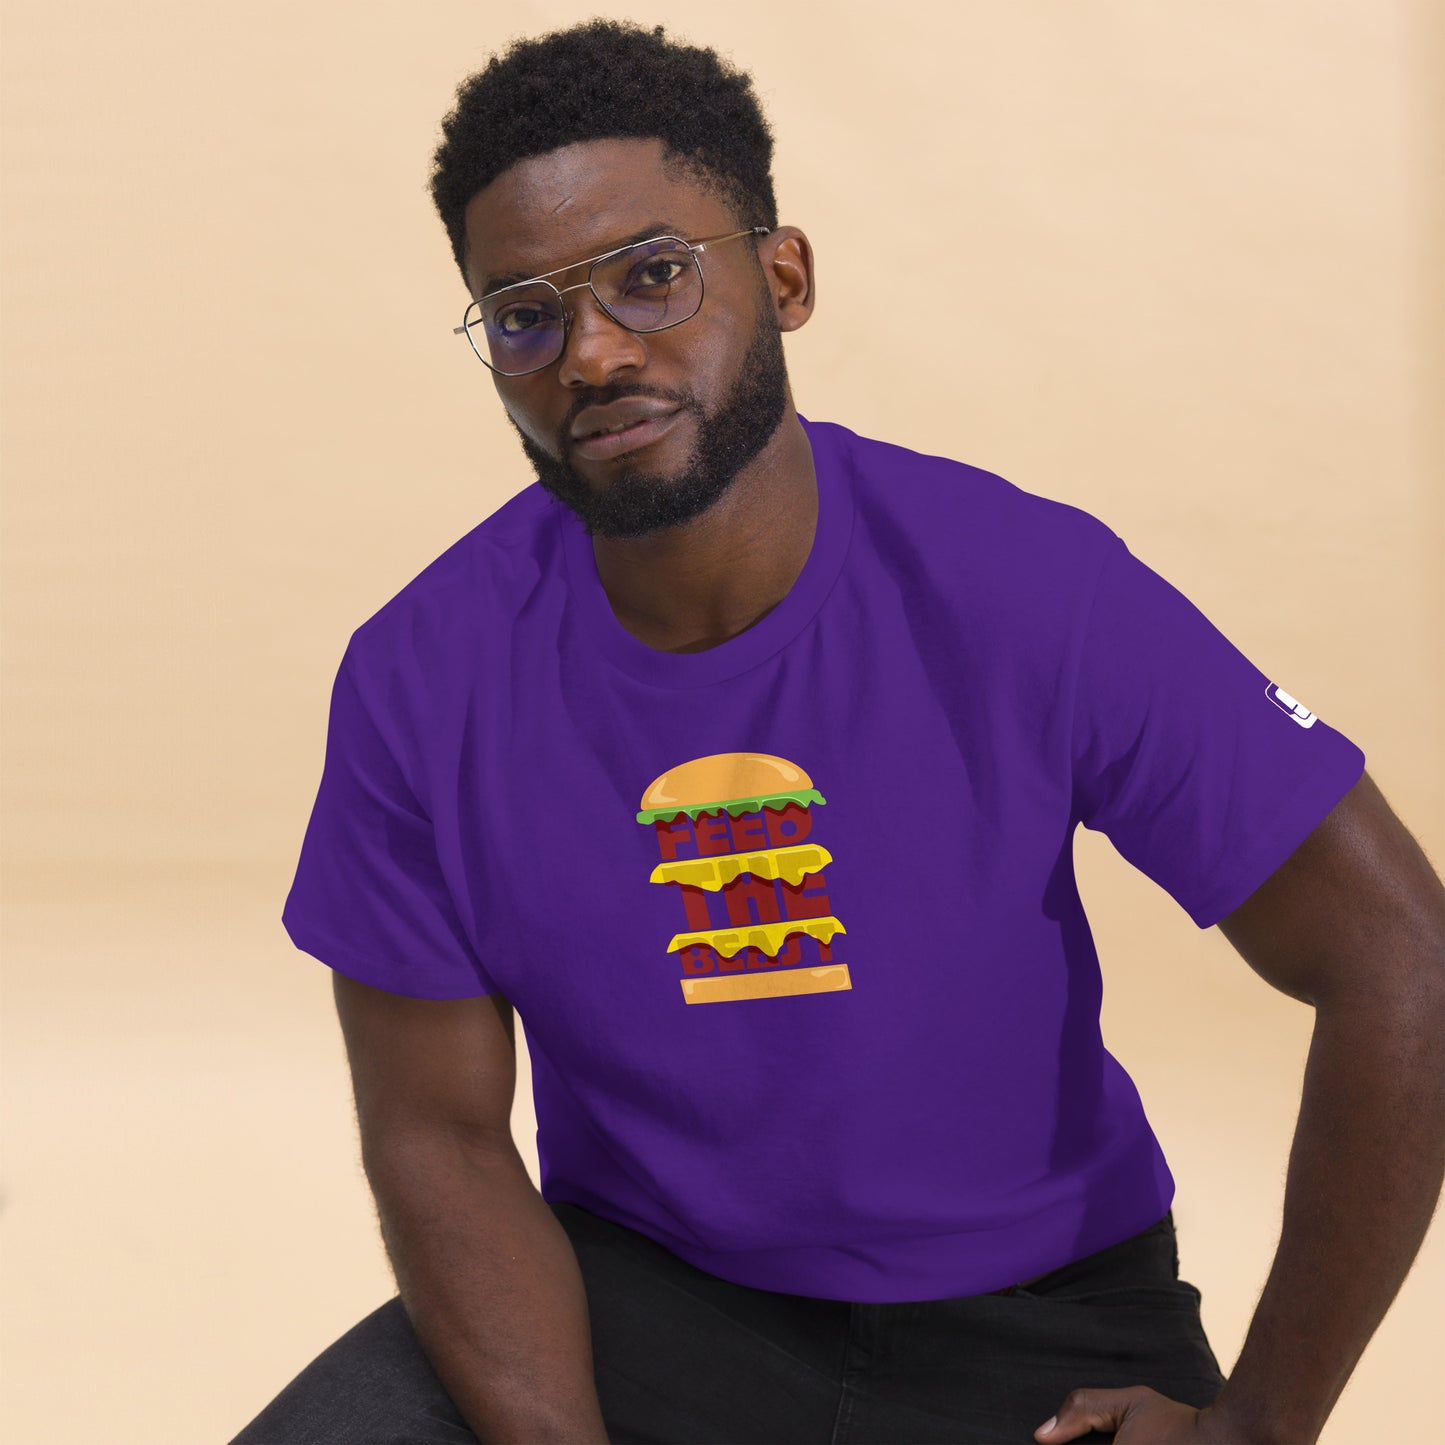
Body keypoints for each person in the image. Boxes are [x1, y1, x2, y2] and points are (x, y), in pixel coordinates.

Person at [231, 19, 1445, 1445]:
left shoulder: (1021, 585)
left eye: (652, 275)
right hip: (646, 1301)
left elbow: (1399, 958)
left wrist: (1260, 1423)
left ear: (783, 276)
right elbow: (434, 1130)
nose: (594, 351)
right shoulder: (418, 675)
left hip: (1036, 1326)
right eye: (524, 315)